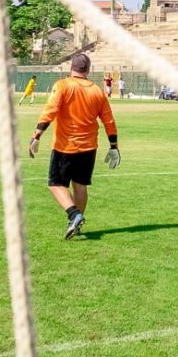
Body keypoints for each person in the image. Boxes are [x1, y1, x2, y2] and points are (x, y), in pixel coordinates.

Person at [26, 53, 120, 240]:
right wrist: (114, 146)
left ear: (71, 67)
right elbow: (109, 121)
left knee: (55, 184)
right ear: (89, 69)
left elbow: (50, 111)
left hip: (65, 146)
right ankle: (76, 225)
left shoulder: (62, 85)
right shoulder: (97, 91)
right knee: (80, 185)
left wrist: (36, 135)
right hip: (89, 147)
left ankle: (74, 215)